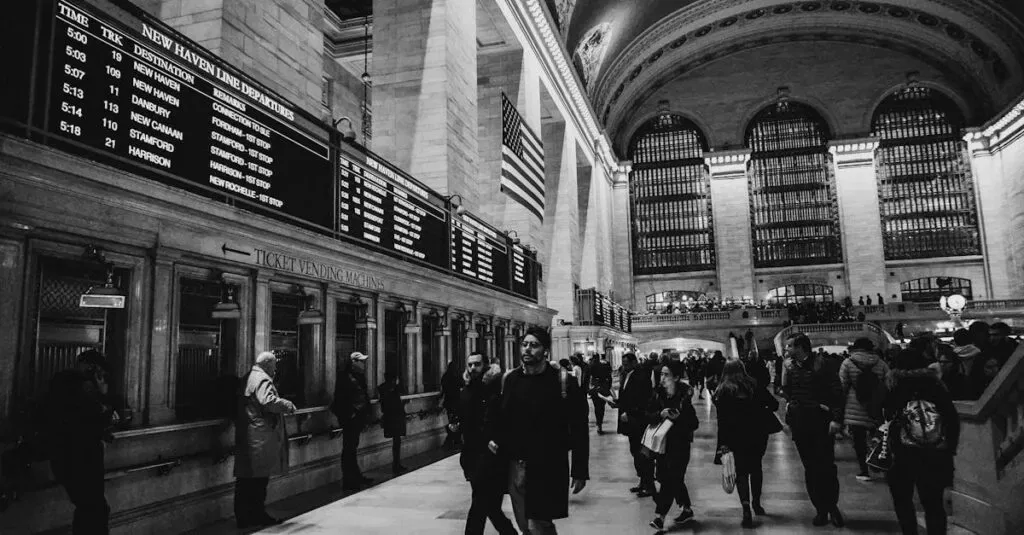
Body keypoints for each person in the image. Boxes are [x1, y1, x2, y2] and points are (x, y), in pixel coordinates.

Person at [489, 327, 589, 535]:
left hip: (548, 465)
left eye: (534, 345)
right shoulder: (511, 380)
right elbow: (500, 416)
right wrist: (494, 439)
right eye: (525, 344)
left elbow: (579, 427)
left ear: (546, 351)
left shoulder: (563, 382)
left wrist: (580, 470)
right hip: (516, 465)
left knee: (538, 523)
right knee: (525, 525)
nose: (527, 349)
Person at [884, 348, 960, 535]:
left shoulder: (894, 386)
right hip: (934, 453)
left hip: (902, 454)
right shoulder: (936, 386)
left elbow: (880, 414)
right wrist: (949, 448)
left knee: (903, 501)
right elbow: (952, 419)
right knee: (933, 503)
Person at [46, 350, 118, 534]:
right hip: (81, 459)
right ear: (91, 367)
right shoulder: (83, 386)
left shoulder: (63, 382)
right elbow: (92, 419)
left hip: (67, 458)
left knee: (89, 509)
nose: (101, 377)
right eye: (99, 372)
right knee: (95, 510)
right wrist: (103, 396)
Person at [782, 332, 845, 527]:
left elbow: (837, 392)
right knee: (810, 468)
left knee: (826, 466)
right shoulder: (789, 367)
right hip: (801, 423)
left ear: (801, 347)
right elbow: (786, 391)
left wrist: (836, 418)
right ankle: (820, 508)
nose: (787, 350)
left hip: (821, 422)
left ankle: (832, 506)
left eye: (790, 346)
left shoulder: (822, 364)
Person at [234, 351, 297, 529]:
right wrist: (287, 405)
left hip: (249, 434)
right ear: (268, 365)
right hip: (260, 436)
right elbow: (268, 400)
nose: (275, 370)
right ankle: (256, 515)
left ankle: (243, 517)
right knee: (258, 480)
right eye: (274, 366)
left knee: (245, 479)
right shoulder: (262, 379)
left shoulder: (249, 377)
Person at [714, 359, 780, 528]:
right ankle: (756, 503)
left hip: (735, 436)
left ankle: (745, 507)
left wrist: (722, 444)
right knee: (756, 467)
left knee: (741, 471)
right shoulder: (754, 386)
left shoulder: (722, 391)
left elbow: (721, 421)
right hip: (757, 434)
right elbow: (774, 404)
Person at [460, 354, 517, 535]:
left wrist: (497, 439)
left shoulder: (495, 388)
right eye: (470, 364)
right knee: (490, 505)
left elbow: (505, 418)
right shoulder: (467, 390)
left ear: (485, 365)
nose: (473, 368)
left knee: (479, 504)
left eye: (477, 364)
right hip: (472, 455)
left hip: (490, 455)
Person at [647, 361, 699, 531]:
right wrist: (659, 415)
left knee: (670, 479)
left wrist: (679, 419)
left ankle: (659, 517)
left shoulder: (684, 397)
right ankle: (686, 508)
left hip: (680, 444)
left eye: (666, 374)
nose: (662, 378)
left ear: (676, 377)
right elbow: (648, 415)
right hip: (661, 444)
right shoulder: (657, 395)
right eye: (661, 374)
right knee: (668, 478)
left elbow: (694, 423)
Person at [838, 338, 890, 480]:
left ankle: (864, 470)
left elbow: (842, 386)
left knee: (859, 441)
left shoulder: (848, 363)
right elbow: (888, 384)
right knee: (879, 437)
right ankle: (880, 464)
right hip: (876, 405)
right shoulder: (880, 363)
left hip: (854, 405)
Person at [612, 352, 656, 497]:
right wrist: (617, 403)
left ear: (633, 362)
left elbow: (642, 400)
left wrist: (630, 412)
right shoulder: (628, 375)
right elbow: (627, 397)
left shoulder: (641, 376)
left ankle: (649, 484)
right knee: (635, 451)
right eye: (623, 364)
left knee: (642, 453)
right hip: (630, 420)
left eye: (626, 364)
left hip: (638, 420)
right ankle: (643, 481)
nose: (623, 366)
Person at [331, 351, 372, 491]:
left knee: (352, 449)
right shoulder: (345, 377)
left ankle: (355, 476)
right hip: (350, 419)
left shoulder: (358, 377)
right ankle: (348, 480)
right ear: (353, 363)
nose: (363, 364)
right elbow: (341, 399)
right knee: (349, 449)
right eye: (361, 361)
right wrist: (351, 415)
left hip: (357, 418)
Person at [378, 369, 408, 474]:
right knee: (397, 441)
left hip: (389, 417)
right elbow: (398, 402)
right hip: (396, 417)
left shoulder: (382, 388)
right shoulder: (395, 388)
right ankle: (396, 464)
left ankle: (396, 464)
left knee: (396, 441)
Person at [441, 359, 464, 450]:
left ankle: (451, 440)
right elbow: (462, 384)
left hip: (448, 402)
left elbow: (443, 388)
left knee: (450, 422)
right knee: (457, 422)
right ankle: (454, 440)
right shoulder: (457, 376)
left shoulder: (445, 376)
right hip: (456, 402)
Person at [588, 353, 613, 434]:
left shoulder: (591, 366)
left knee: (596, 407)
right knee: (601, 407)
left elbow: (588, 378)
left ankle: (598, 424)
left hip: (595, 388)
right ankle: (600, 423)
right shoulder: (605, 366)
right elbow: (609, 378)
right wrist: (608, 387)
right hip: (603, 387)